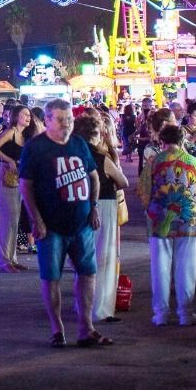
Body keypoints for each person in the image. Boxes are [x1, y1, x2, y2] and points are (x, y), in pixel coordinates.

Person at [19, 100, 108, 348]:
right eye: (60, 119)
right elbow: (25, 186)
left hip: (81, 224)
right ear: (47, 120)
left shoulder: (79, 143)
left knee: (88, 273)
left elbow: (93, 176)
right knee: (51, 277)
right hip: (51, 226)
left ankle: (86, 327)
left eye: (69, 119)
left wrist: (94, 206)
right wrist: (36, 219)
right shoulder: (36, 148)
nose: (66, 124)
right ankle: (57, 329)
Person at [144, 124, 196, 326]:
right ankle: (185, 313)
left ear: (161, 141)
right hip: (189, 220)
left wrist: (153, 210)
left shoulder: (154, 162)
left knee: (160, 268)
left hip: (160, 219)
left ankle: (161, 314)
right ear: (182, 141)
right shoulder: (193, 162)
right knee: (186, 267)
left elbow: (144, 191)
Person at [74, 113, 129, 325]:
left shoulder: (73, 155)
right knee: (104, 257)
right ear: (95, 135)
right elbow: (123, 181)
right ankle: (101, 308)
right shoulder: (101, 158)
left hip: (78, 206)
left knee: (84, 257)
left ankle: (82, 306)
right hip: (104, 205)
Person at [0, 104, 31, 272]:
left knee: (14, 218)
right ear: (16, 116)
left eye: (29, 114)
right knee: (6, 218)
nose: (28, 117)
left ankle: (11, 257)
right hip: (5, 174)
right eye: (25, 114)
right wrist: (9, 160)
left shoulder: (24, 135)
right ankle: (3, 260)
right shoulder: (10, 131)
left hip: (17, 177)